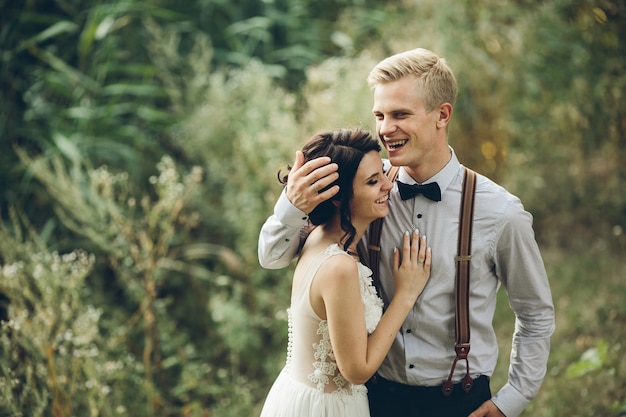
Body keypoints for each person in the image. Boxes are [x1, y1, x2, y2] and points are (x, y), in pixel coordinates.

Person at [258, 48, 555, 417]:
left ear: (441, 115)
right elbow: (272, 256)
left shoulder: (500, 213)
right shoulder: (364, 190)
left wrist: (511, 400)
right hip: (373, 399)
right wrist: (291, 204)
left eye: (400, 114)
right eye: (379, 115)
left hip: (460, 401)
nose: (384, 129)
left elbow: (535, 313)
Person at [259, 128, 432, 417]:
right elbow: (357, 370)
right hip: (327, 408)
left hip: (298, 396)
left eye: (383, 175)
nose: (388, 186)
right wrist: (406, 294)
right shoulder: (339, 266)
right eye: (373, 181)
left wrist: (373, 181)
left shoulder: (315, 235)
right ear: (338, 198)